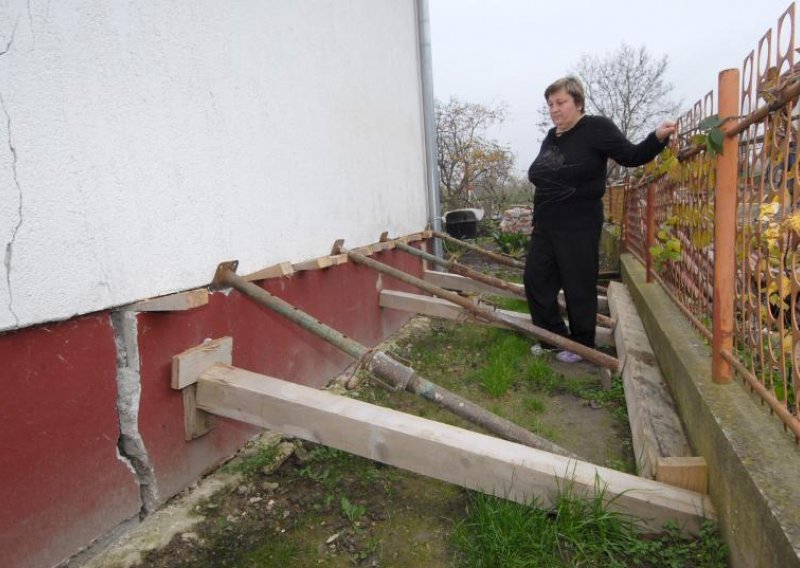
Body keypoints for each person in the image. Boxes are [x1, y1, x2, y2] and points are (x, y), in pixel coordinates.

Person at [525, 76, 676, 363]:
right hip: (546, 224)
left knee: (577, 284)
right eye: (550, 104)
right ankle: (552, 338)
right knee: (536, 280)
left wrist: (656, 138)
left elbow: (631, 155)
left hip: (579, 224)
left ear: (578, 103)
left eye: (560, 102)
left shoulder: (596, 129)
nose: (554, 109)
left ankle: (582, 345)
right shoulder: (551, 136)